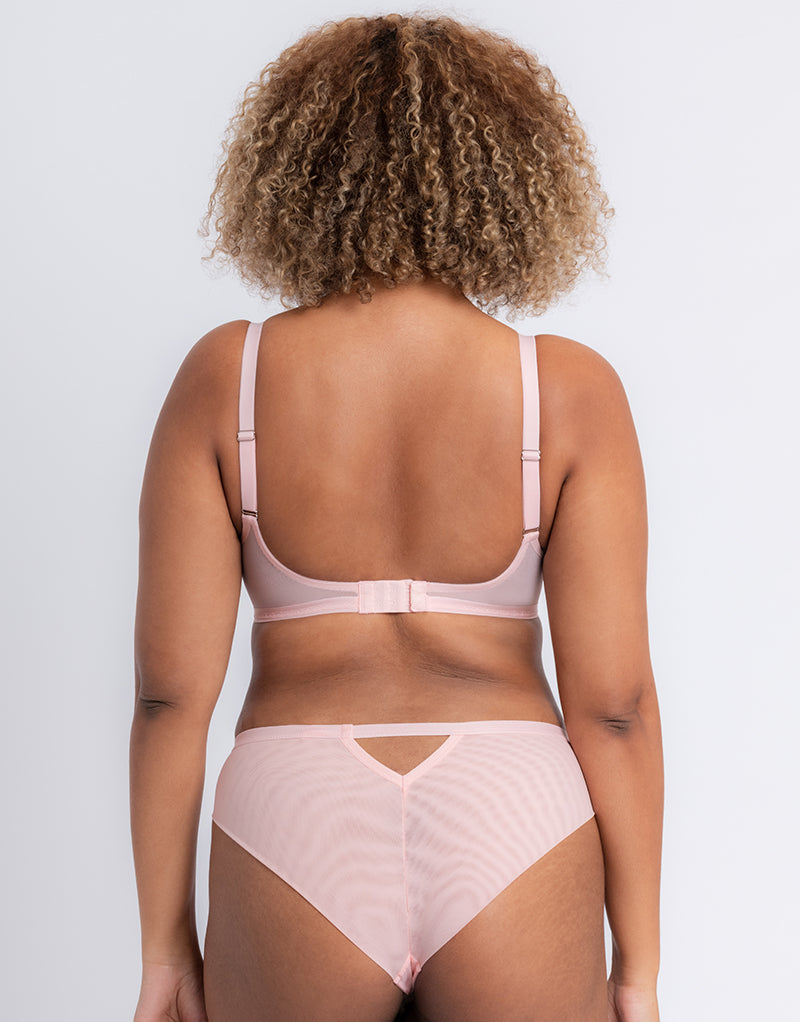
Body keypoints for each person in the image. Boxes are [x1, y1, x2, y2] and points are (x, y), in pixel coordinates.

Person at [130, 13, 663, 1022]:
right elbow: (615, 706)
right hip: (508, 806)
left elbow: (167, 699)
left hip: (299, 810)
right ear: (508, 175)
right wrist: (635, 966)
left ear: (292, 170)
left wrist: (164, 948)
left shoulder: (227, 376)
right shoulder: (566, 390)